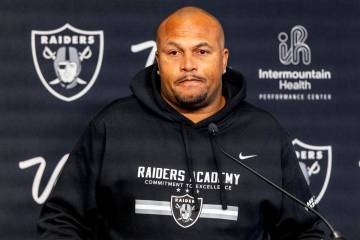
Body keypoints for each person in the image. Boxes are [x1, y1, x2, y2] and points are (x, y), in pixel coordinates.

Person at [38, 6, 324, 239]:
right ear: (158, 61)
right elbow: (62, 221)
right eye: (174, 52)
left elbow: (306, 231)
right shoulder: (113, 126)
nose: (188, 64)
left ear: (223, 60)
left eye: (202, 51)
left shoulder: (264, 133)